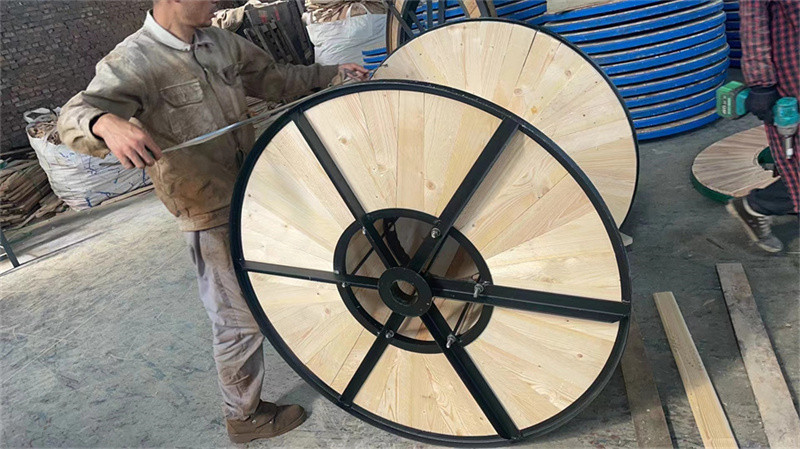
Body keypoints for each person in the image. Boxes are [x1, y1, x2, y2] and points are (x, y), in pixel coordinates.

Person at [57, 0, 368, 443]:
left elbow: (275, 79)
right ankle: (244, 416)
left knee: (297, 272)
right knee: (237, 319)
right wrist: (105, 123)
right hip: (207, 208)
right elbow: (72, 117)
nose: (217, 2)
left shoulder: (220, 43)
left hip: (255, 187)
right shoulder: (133, 60)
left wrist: (332, 73)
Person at [726, 0, 799, 253]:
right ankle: (755, 207)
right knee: (796, 161)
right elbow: (753, 18)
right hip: (793, 72)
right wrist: (761, 83)